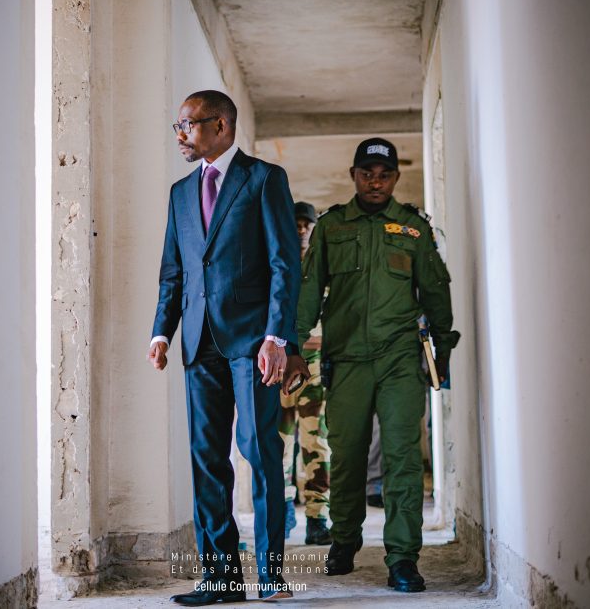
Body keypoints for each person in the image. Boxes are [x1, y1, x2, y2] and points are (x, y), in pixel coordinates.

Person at [283, 137, 460, 593]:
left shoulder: (413, 229)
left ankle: (403, 558)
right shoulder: (332, 227)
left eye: (383, 175)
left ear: (395, 178)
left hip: (400, 359)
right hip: (345, 361)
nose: (375, 182)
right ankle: (344, 541)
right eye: (367, 174)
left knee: (401, 460)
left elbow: (436, 291)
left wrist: (442, 349)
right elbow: (308, 290)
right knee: (347, 457)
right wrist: (295, 347)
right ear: (354, 176)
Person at [149, 90, 300, 605]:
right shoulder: (179, 193)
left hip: (253, 341)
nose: (180, 135)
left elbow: (284, 263)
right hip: (198, 342)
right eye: (178, 125)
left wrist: (278, 337)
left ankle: (272, 575)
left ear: (221, 126)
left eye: (188, 125)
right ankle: (222, 578)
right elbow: (174, 270)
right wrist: (161, 332)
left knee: (258, 451)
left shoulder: (263, 179)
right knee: (207, 459)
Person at [278, 202, 332, 545]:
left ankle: (317, 518)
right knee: (278, 443)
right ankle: (281, 512)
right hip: (281, 363)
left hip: (315, 361)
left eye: (306, 225)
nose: (301, 230)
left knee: (317, 441)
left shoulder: (323, 266)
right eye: (296, 224)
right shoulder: (278, 263)